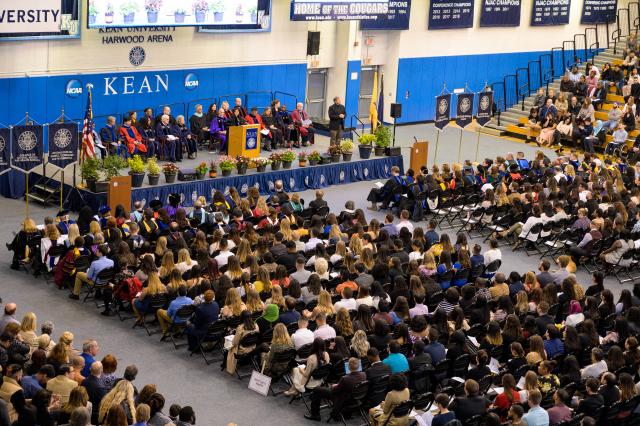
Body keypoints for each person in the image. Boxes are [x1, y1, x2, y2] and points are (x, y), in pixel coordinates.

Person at [304, 357, 366, 421]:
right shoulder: (364, 375)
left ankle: (315, 415)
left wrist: (334, 386)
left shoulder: (345, 379)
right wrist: (339, 385)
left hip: (341, 398)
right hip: (354, 399)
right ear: (359, 366)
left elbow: (335, 391)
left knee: (316, 389)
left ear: (349, 367)